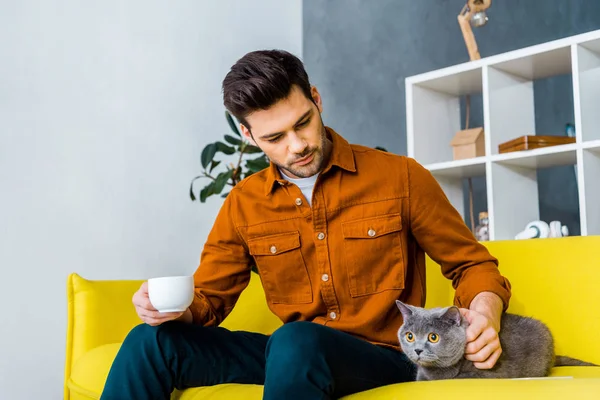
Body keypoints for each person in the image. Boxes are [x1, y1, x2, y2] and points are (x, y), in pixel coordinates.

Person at [100, 49, 511, 400]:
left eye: (302, 123)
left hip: (385, 356)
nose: (296, 146)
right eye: (274, 137)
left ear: (315, 99)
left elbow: (472, 265)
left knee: (296, 340)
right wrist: (166, 311)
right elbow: (208, 300)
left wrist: (486, 315)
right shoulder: (244, 202)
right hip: (291, 357)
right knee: (148, 343)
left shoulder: (400, 177)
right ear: (248, 134)